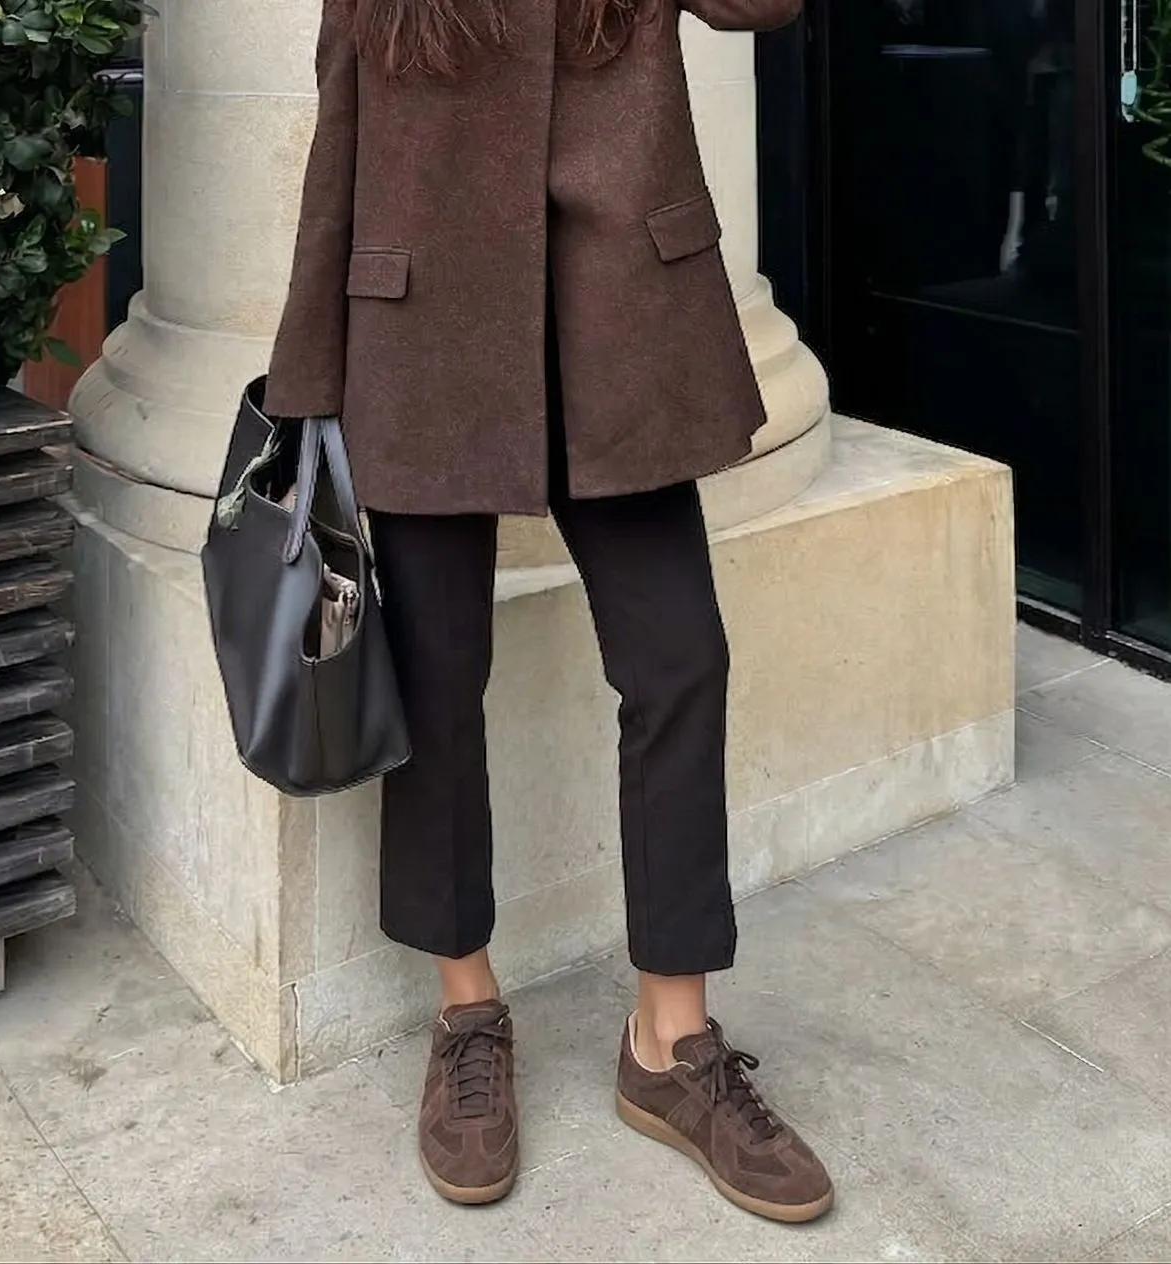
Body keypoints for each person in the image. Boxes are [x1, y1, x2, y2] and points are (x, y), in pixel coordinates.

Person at [264, 0, 834, 1223]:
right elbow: (338, 138)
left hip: (618, 323)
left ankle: (669, 1044)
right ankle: (466, 1010)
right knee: (433, 676)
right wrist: (309, 381)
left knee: (680, 659)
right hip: (422, 334)